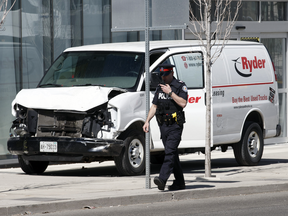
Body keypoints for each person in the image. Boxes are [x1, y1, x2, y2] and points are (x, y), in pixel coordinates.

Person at [143, 64, 188, 191]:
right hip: (163, 126)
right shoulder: (159, 87)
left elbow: (183, 103)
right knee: (172, 154)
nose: (164, 78)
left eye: (166, 75)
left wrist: (171, 93)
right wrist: (147, 121)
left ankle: (162, 179)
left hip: (175, 126)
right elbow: (154, 106)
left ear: (172, 72)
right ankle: (180, 182)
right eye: (162, 75)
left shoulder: (179, 86)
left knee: (169, 153)